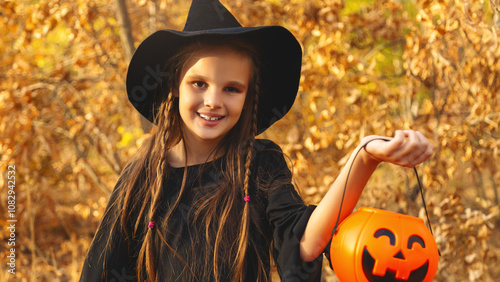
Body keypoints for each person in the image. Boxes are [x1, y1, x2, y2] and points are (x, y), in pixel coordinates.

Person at [79, 0, 434, 281]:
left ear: (248, 96)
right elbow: (102, 271)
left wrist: (365, 156)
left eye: (231, 89)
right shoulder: (141, 178)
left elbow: (305, 244)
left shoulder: (259, 164)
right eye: (199, 83)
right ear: (174, 83)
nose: (214, 100)